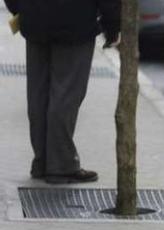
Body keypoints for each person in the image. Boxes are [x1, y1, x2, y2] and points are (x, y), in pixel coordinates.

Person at [4, 0, 120, 184]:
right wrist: (113, 25)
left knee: (38, 94)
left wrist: (22, 9)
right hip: (75, 21)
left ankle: (42, 161)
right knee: (66, 93)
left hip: (35, 20)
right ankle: (60, 165)